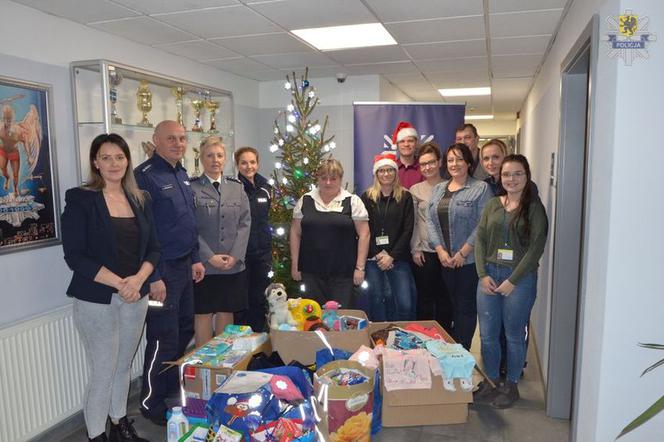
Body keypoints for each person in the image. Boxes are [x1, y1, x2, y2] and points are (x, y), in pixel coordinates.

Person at [61, 133, 160, 442]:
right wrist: (121, 284)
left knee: (122, 367)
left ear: (127, 160)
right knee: (103, 370)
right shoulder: (81, 199)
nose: (114, 163)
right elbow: (75, 256)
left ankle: (118, 425)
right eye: (106, 157)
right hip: (97, 298)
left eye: (119, 157)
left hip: (135, 296)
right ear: (95, 162)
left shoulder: (140, 198)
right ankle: (95, 436)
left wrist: (139, 280)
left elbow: (154, 249)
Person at [134, 120, 205, 425]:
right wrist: (154, 277)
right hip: (161, 272)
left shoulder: (181, 173)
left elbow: (187, 223)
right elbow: (143, 232)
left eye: (182, 138)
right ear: (155, 141)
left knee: (184, 329)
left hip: (184, 266)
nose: (178, 143)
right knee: (163, 336)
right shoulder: (144, 177)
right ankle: (151, 402)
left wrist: (196, 259)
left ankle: (170, 389)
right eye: (171, 139)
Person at [473, 154, 548, 408]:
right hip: (489, 277)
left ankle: (512, 384)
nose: (511, 179)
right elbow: (480, 240)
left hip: (520, 279)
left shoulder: (534, 208)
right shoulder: (493, 204)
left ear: (526, 176)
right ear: (500, 177)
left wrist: (513, 280)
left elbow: (536, 248)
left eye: (518, 174)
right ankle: (492, 381)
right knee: (488, 335)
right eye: (506, 174)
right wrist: (483, 274)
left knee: (514, 335)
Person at [426, 143, 491, 350]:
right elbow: (430, 220)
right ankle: (450, 351)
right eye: (451, 160)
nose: (454, 164)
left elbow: (483, 224)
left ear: (469, 162)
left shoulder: (480, 188)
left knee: (465, 308)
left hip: (468, 261)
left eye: (459, 159)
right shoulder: (438, 189)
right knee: (449, 306)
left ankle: (462, 351)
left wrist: (463, 252)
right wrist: (440, 250)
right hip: (444, 260)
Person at [191, 136, 251, 346]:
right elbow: (190, 228)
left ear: (225, 159)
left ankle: (226, 363)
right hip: (205, 266)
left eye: (219, 155)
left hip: (231, 265)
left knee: (226, 312)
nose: (215, 160)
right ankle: (204, 366)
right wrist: (208, 257)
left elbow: (245, 223)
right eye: (209, 155)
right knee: (203, 314)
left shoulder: (237, 187)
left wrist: (235, 256)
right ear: (201, 158)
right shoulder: (192, 189)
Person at [290, 159, 370, 307]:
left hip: (343, 274)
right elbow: (295, 233)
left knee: (340, 320)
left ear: (340, 179)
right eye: (323, 178)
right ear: (317, 179)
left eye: (333, 178)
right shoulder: (305, 200)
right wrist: (295, 265)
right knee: (314, 317)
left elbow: (364, 235)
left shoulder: (353, 201)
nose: (328, 182)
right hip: (311, 272)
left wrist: (360, 268)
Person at [360, 152, 416, 321]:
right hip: (373, 258)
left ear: (395, 173)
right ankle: (379, 340)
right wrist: (378, 254)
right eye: (382, 171)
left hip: (398, 258)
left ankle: (400, 338)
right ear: (376, 174)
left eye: (390, 170)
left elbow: (408, 229)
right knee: (377, 300)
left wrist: (391, 256)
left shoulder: (405, 197)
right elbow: (364, 230)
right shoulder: (367, 197)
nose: (386, 174)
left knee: (405, 303)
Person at [410, 142, 453, 329]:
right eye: (423, 164)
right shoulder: (416, 190)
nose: (427, 167)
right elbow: (413, 222)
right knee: (425, 298)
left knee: (445, 298)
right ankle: (423, 338)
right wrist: (415, 248)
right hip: (425, 252)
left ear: (440, 162)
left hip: (448, 253)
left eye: (431, 162)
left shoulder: (451, 186)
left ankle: (444, 339)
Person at [234, 146, 272, 332]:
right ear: (237, 165)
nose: (248, 166)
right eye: (244, 162)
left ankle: (259, 337)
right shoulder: (234, 188)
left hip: (263, 253)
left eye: (252, 162)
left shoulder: (266, 188)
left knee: (261, 298)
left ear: (257, 163)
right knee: (243, 300)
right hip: (243, 253)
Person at [0, 103, 41, 196]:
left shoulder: (19, 130)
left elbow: (26, 143)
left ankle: (15, 188)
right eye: (6, 119)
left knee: (15, 174)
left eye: (10, 120)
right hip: (2, 151)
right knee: (3, 169)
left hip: (14, 153)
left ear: (12, 119)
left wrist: (30, 156)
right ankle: (7, 179)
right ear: (3, 119)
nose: (8, 122)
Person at [392, 121, 424, 189]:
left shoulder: (424, 168)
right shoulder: (391, 169)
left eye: (410, 141)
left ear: (416, 143)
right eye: (402, 141)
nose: (406, 144)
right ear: (397, 145)